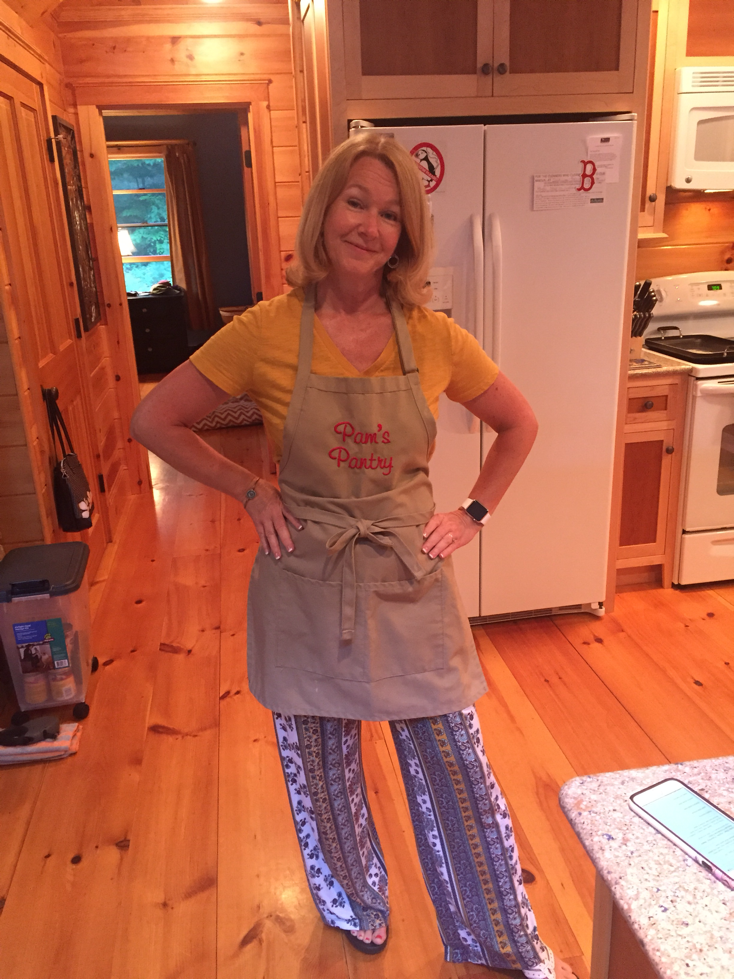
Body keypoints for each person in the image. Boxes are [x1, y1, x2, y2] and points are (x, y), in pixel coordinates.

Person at [131, 132, 575, 979]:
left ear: (406, 236)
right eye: (356, 201)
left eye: (390, 214)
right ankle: (353, 902)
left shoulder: (434, 336)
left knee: (454, 762)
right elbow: (154, 418)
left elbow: (519, 422)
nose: (370, 225)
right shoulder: (265, 330)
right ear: (325, 209)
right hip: (305, 574)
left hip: (408, 575)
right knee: (320, 765)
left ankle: (500, 937)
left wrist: (474, 510)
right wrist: (250, 489)